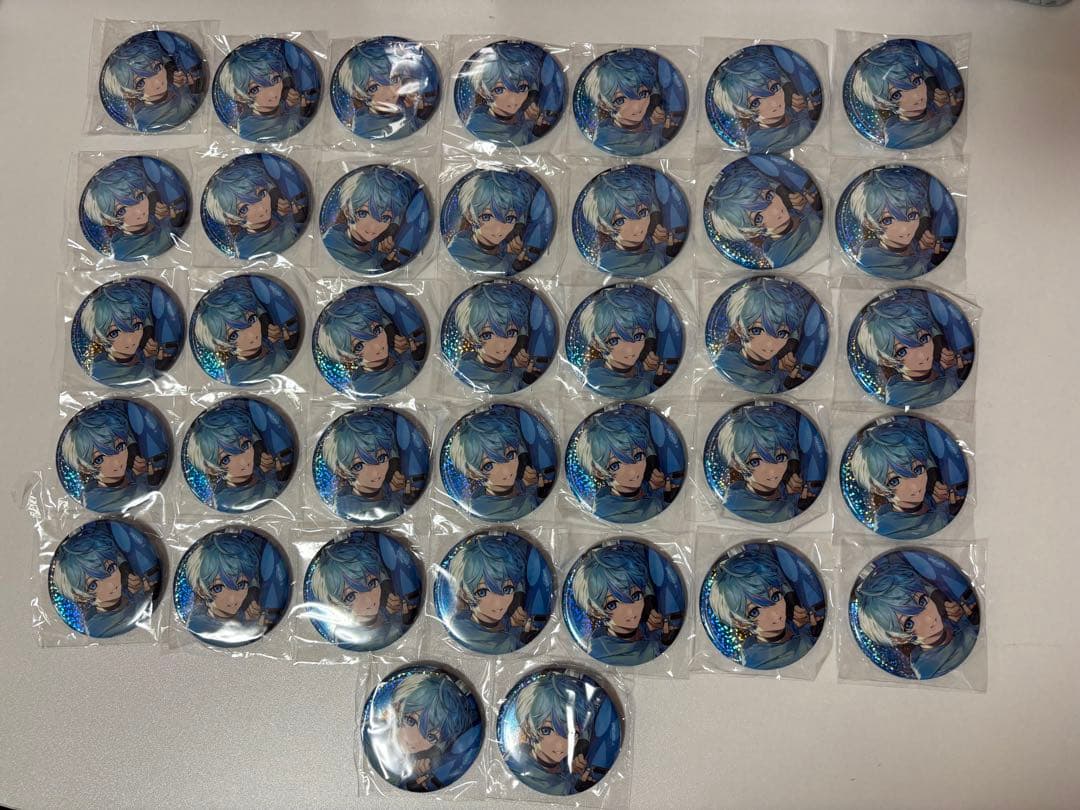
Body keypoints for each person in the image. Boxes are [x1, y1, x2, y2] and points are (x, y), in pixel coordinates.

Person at [709, 546, 818, 669]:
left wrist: (807, 627)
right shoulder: (765, 662)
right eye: (754, 611)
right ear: (739, 623)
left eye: (775, 597)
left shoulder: (790, 626)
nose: (775, 614)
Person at [53, 522, 157, 637]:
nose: (111, 584)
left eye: (111, 568)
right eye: (93, 585)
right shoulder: (99, 628)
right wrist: (143, 595)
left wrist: (139, 591)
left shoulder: (126, 590)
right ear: (80, 596)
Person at [579, 166, 681, 276]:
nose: (638, 227)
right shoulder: (612, 264)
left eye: (642, 213)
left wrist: (668, 248)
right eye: (620, 221)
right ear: (603, 228)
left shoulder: (648, 242)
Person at [713, 277, 807, 393]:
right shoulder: (726, 370)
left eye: (782, 333)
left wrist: (786, 381)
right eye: (757, 331)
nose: (770, 343)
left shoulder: (775, 364)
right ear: (738, 328)